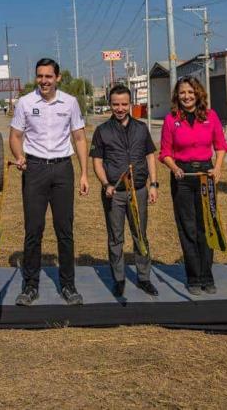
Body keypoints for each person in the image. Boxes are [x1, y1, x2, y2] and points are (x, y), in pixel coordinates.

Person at [9, 58, 89, 306]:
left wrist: (84, 173)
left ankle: (68, 285)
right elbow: (15, 136)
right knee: (34, 230)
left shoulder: (70, 102)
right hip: (34, 170)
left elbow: (79, 137)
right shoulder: (25, 102)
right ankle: (30, 286)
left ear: (58, 78)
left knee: (64, 230)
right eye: (40, 76)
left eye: (48, 76)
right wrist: (19, 156)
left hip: (63, 169)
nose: (44, 81)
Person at [159, 76, 227, 295]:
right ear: (176, 96)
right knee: (187, 227)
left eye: (190, 92)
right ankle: (193, 276)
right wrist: (174, 168)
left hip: (205, 175)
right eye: (182, 93)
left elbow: (221, 145)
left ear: (198, 93)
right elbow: (165, 152)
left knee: (205, 226)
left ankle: (207, 276)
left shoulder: (210, 116)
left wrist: (217, 168)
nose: (187, 96)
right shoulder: (171, 119)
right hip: (182, 177)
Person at [91, 84, 159, 297]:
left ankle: (144, 277)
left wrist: (154, 185)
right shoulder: (102, 131)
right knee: (116, 237)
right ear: (110, 105)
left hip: (138, 191)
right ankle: (119, 279)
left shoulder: (141, 128)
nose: (120, 108)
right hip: (115, 194)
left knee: (140, 234)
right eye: (115, 104)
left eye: (124, 104)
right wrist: (106, 184)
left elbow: (150, 156)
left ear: (130, 104)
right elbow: (97, 161)